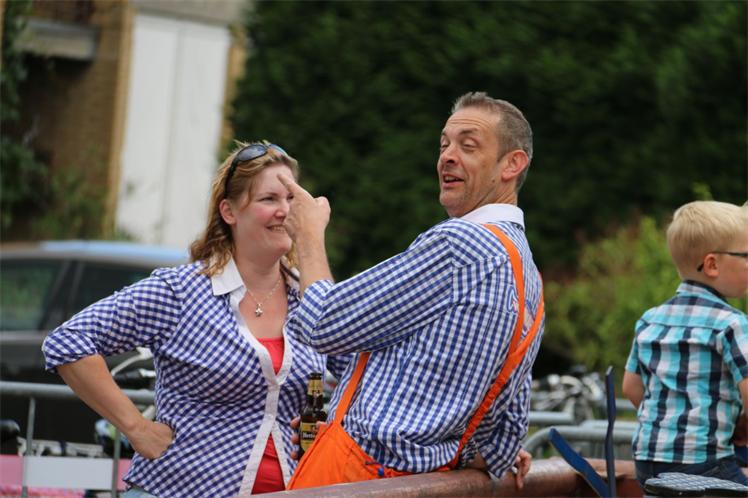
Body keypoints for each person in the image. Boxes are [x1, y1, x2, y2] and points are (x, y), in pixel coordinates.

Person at [42, 142, 350, 497]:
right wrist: (137, 428)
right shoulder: (181, 291)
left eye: (292, 199)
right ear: (229, 211)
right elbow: (68, 342)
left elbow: (359, 374)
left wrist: (330, 428)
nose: (285, 211)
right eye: (269, 199)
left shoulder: (309, 300)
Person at [278, 91, 544, 489]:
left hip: (358, 476)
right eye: (444, 145)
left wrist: (308, 234)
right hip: (427, 484)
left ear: (512, 164)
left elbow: (323, 322)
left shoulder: (460, 244)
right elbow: (503, 441)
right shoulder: (528, 275)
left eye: (468, 145)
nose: (447, 156)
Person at [622, 200, 748, 486]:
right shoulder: (732, 324)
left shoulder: (650, 319)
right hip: (705, 461)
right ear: (712, 264)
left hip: (648, 460)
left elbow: (631, 387)